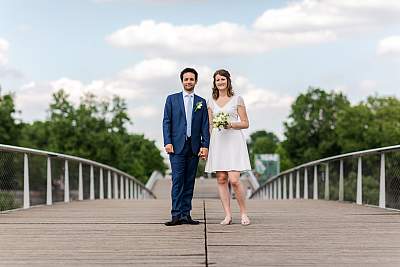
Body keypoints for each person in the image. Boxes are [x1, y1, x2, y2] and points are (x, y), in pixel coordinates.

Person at [163, 67, 210, 226]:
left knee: (190, 181)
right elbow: (166, 122)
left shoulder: (201, 102)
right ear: (182, 81)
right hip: (176, 147)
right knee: (177, 181)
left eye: (191, 79)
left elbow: (205, 125)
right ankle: (176, 214)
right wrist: (167, 142)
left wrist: (205, 145)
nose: (189, 82)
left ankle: (186, 214)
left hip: (194, 147)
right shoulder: (171, 99)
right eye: (186, 79)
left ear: (196, 81)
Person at [205, 69, 251, 226]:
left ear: (228, 81)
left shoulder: (237, 99)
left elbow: (245, 123)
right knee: (222, 179)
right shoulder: (210, 101)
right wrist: (208, 145)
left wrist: (230, 124)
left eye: (223, 79)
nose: (220, 82)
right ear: (214, 83)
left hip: (234, 141)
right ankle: (227, 215)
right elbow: (210, 125)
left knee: (234, 180)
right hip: (218, 142)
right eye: (217, 80)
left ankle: (243, 213)